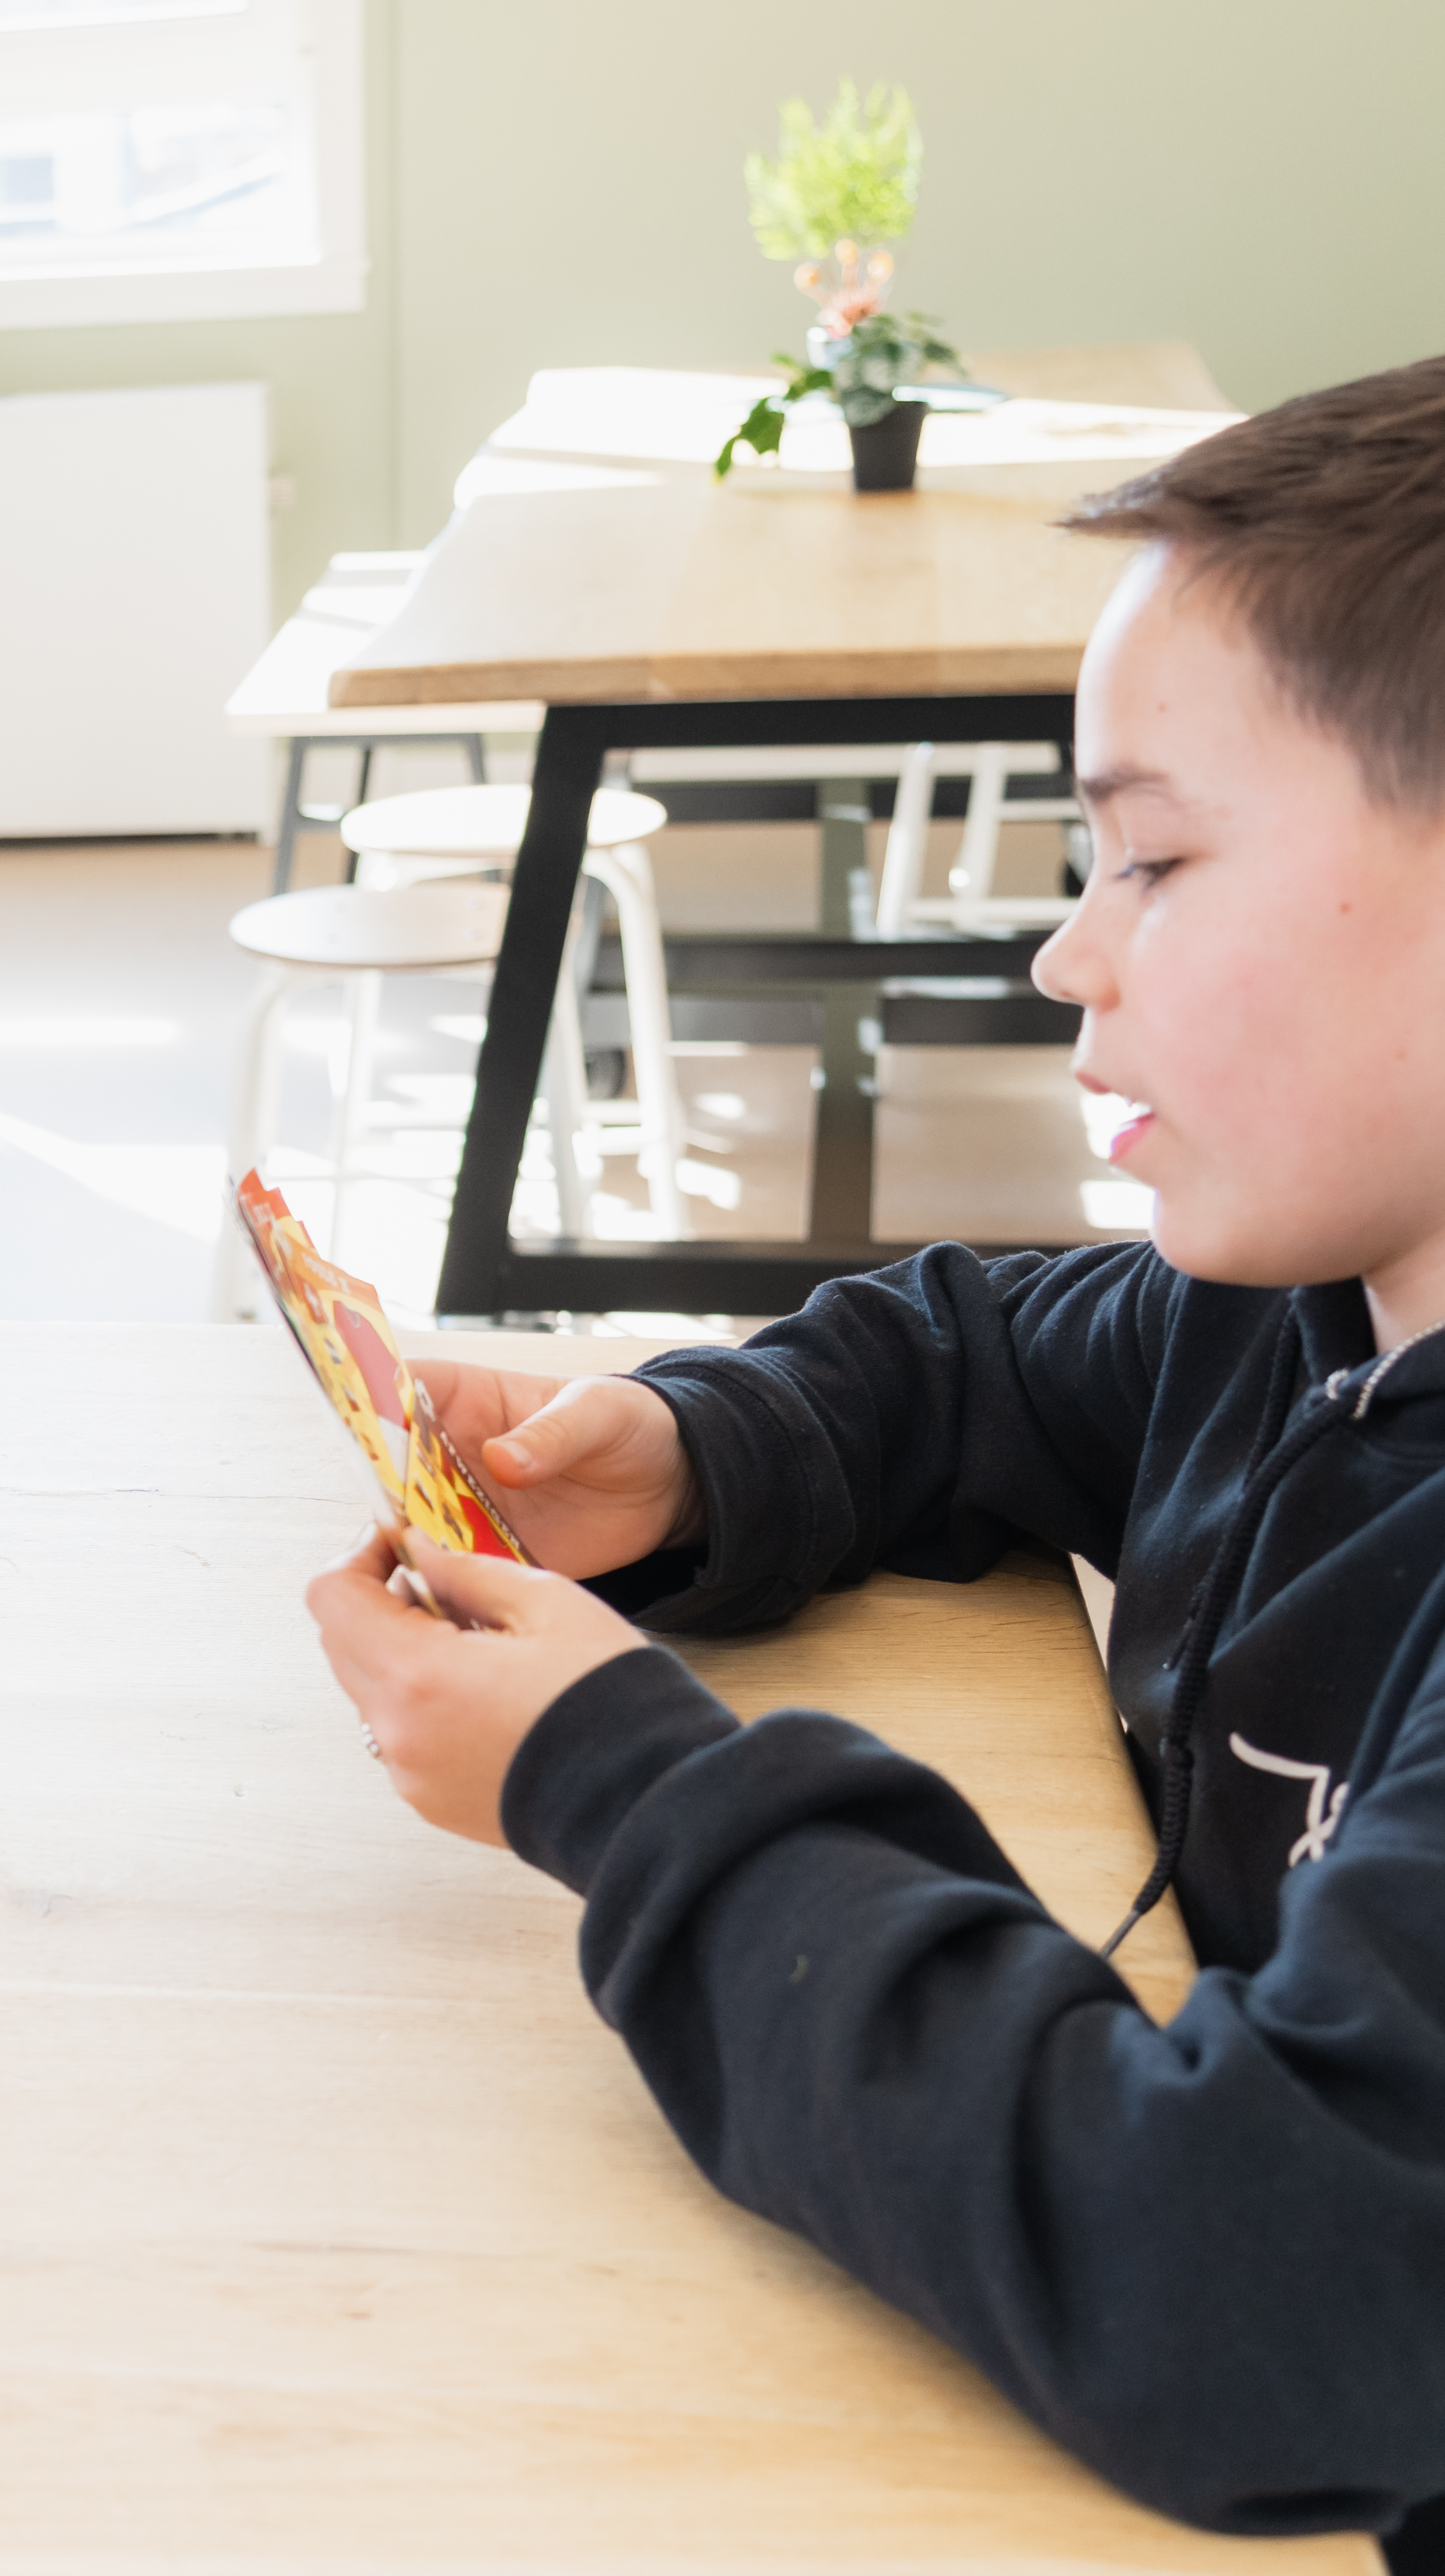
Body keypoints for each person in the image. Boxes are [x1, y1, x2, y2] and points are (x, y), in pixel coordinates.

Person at [300, 357, 1445, 2564]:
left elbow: (1230, 2274)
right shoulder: (1307, 1294)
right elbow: (985, 1354)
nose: (1059, 949)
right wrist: (680, 1452)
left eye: (1153, 860)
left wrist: (613, 1784)